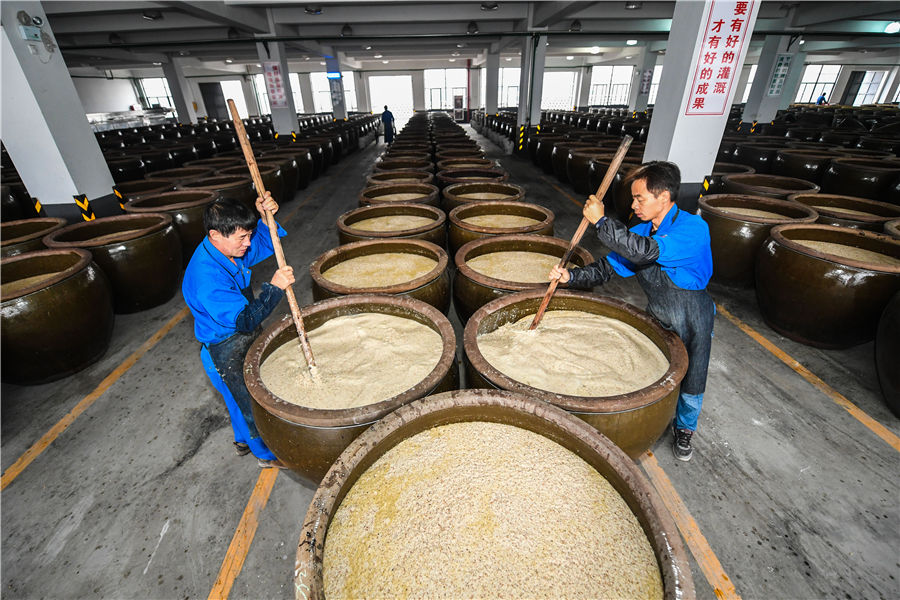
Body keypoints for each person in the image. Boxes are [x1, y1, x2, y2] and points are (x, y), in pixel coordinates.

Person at [548, 161, 714, 462]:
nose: (634, 205)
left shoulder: (692, 228)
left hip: (693, 315)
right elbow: (606, 268)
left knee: (694, 376)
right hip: (660, 312)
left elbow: (644, 251)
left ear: (663, 197)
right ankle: (654, 413)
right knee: (655, 369)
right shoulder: (639, 230)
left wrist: (601, 223)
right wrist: (571, 277)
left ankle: (685, 429)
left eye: (640, 198)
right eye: (633, 198)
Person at [182, 194, 294, 469]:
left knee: (235, 400)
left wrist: (266, 218)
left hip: (234, 336)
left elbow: (263, 244)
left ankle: (241, 440)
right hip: (223, 349)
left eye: (249, 235)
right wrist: (275, 288)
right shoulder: (207, 278)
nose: (248, 243)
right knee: (248, 404)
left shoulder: (227, 248)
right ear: (215, 234)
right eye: (242, 238)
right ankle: (266, 455)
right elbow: (244, 320)